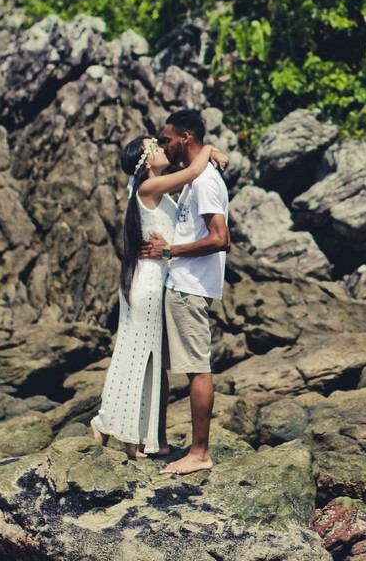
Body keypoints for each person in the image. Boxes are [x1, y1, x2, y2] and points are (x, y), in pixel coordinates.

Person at [89, 134, 226, 458]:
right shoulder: (148, 188)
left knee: (152, 363)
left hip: (157, 280)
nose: (164, 148)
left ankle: (142, 439)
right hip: (147, 284)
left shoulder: (158, 190)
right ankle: (106, 422)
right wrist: (209, 149)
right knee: (136, 357)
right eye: (156, 146)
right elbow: (193, 172)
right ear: (146, 160)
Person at [141, 109, 230, 475]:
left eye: (168, 139)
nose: (165, 144)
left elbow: (220, 239)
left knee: (196, 369)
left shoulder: (205, 181)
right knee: (185, 367)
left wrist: (170, 251)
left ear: (186, 137)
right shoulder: (195, 178)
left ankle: (199, 453)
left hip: (189, 287)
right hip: (181, 284)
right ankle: (160, 442)